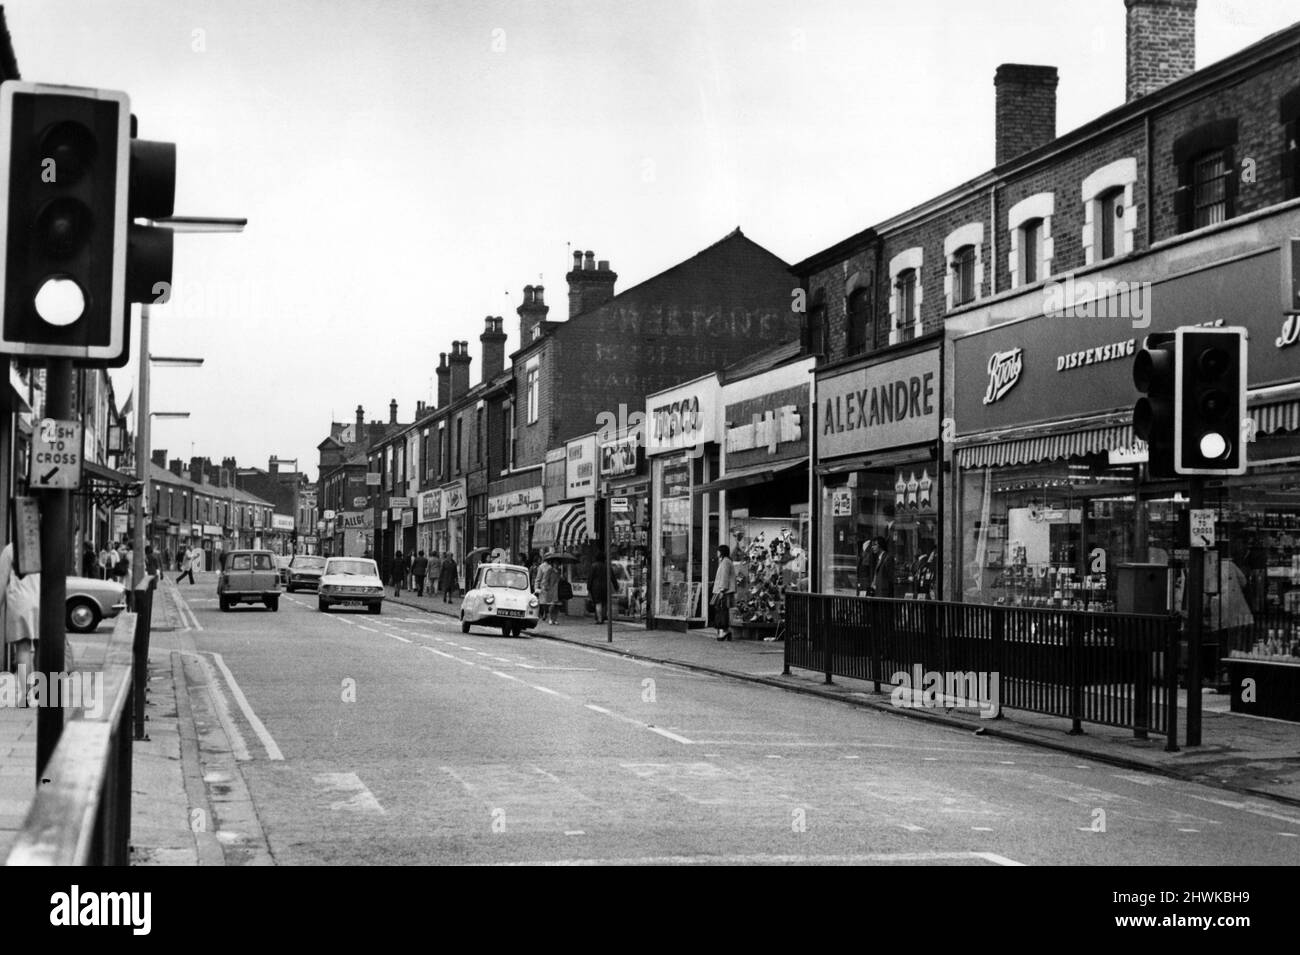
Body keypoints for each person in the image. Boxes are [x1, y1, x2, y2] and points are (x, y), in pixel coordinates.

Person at [0, 542, 39, 674]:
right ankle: (43, 691)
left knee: (23, 648)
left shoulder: (11, 549)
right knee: (42, 647)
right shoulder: (45, 547)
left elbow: (2, 581)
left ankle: (26, 693)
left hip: (20, 602)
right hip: (42, 602)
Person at [713, 544, 736, 641]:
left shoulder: (725, 562)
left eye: (718, 551)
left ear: (721, 552)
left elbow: (724, 577)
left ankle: (723, 630)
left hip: (723, 591)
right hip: (724, 590)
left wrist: (722, 589)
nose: (717, 553)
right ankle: (725, 630)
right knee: (722, 610)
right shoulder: (725, 561)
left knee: (722, 611)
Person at [535, 557, 560, 625]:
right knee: (551, 605)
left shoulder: (559, 571)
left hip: (557, 590)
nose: (556, 565)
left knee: (557, 606)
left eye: (557, 563)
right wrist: (547, 587)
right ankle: (550, 618)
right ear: (553, 564)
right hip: (551, 590)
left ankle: (555, 619)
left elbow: (559, 580)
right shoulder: (549, 570)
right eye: (555, 563)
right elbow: (545, 580)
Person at [588, 555, 609, 624]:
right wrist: (616, 586)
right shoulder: (607, 566)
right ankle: (603, 617)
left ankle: (599, 619)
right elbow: (612, 576)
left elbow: (590, 577)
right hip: (605, 586)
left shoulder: (593, 566)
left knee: (598, 603)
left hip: (596, 587)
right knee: (604, 603)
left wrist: (588, 587)